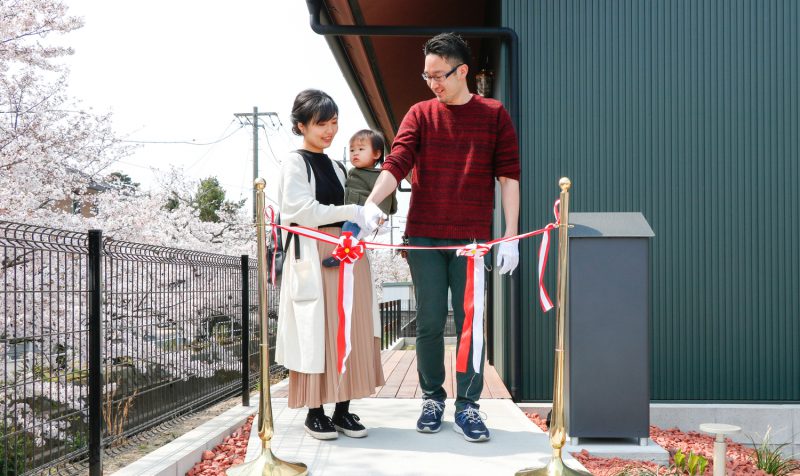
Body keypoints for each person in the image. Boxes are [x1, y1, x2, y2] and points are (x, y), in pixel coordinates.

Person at [363, 33, 521, 443]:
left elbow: (508, 177)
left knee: (471, 322)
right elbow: (397, 162)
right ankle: (433, 397)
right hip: (425, 237)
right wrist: (371, 204)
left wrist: (510, 236)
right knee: (430, 322)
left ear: (462, 71)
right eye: (427, 75)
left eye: (439, 75)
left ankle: (468, 405)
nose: (432, 83)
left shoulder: (494, 114)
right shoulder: (420, 113)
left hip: (471, 239)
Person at [275, 89, 386, 440]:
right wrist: (351, 212)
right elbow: (300, 211)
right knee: (319, 333)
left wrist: (369, 217)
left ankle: (343, 409)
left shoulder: (340, 166)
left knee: (351, 327)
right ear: (301, 125)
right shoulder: (295, 163)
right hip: (315, 257)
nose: (329, 131)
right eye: (321, 123)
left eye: (334, 123)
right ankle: (314, 411)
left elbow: (356, 204)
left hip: (350, 258)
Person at [322, 129, 397, 267]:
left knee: (349, 228)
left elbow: (386, 198)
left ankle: (342, 254)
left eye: (361, 149)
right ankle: (346, 252)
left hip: (367, 216)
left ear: (376, 154)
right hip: (355, 212)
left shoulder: (380, 177)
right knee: (350, 228)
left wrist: (381, 215)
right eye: (352, 150)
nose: (355, 153)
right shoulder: (350, 171)